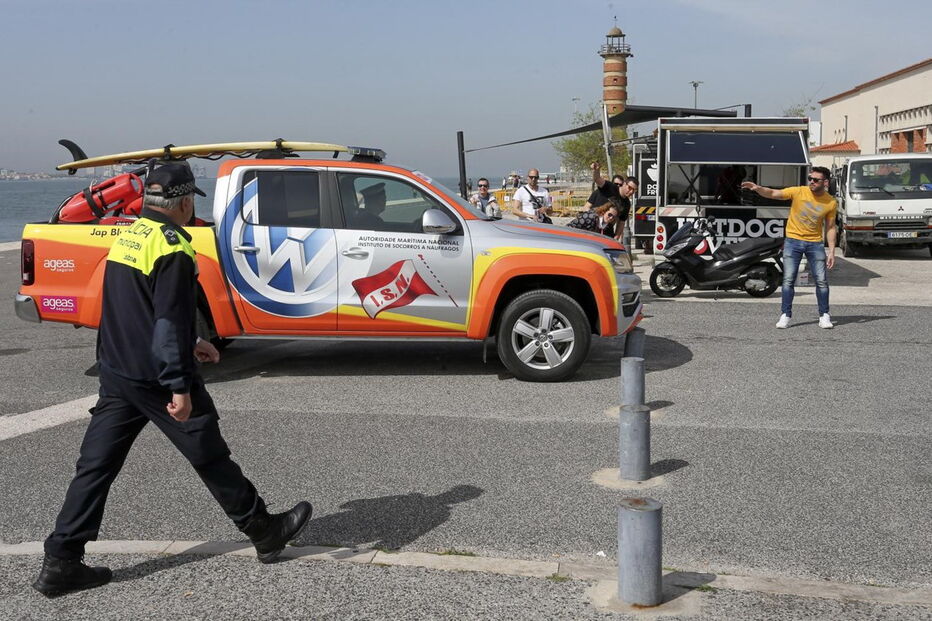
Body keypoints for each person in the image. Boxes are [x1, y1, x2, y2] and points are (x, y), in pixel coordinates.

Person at [33, 163, 312, 597]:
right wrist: (179, 385)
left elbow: (132, 305)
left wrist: (194, 338)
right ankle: (263, 530)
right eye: (190, 203)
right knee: (208, 452)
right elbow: (165, 319)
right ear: (183, 203)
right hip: (156, 377)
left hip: (118, 371)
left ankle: (61, 561)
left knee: (95, 467)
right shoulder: (173, 247)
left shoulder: (130, 236)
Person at [741, 167, 837, 329]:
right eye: (810, 178)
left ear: (825, 182)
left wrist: (832, 250)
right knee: (788, 280)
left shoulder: (831, 202)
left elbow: (830, 227)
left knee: (821, 281)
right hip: (793, 242)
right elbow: (773, 193)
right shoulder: (799, 191)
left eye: (815, 180)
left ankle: (824, 315)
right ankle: (785, 314)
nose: (811, 182)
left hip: (815, 244)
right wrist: (758, 189)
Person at [590, 162, 638, 242]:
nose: (630, 192)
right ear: (624, 184)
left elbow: (621, 223)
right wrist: (596, 170)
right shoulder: (610, 187)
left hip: (607, 233)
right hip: (592, 227)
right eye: (629, 188)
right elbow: (597, 179)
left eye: (634, 190)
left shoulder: (626, 203)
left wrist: (615, 239)